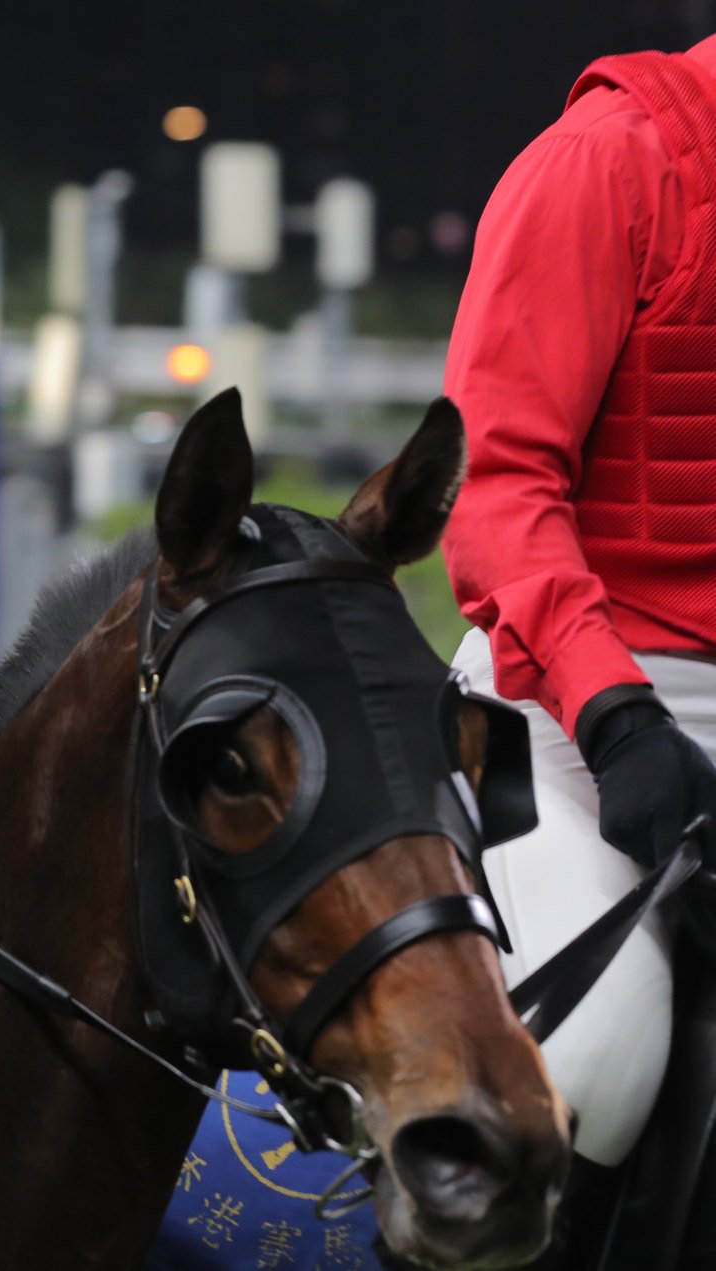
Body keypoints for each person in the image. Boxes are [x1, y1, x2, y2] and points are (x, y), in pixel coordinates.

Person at [442, 33, 716, 1252]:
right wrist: (616, 714)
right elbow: (496, 489)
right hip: (571, 707)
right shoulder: (612, 158)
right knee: (606, 1039)